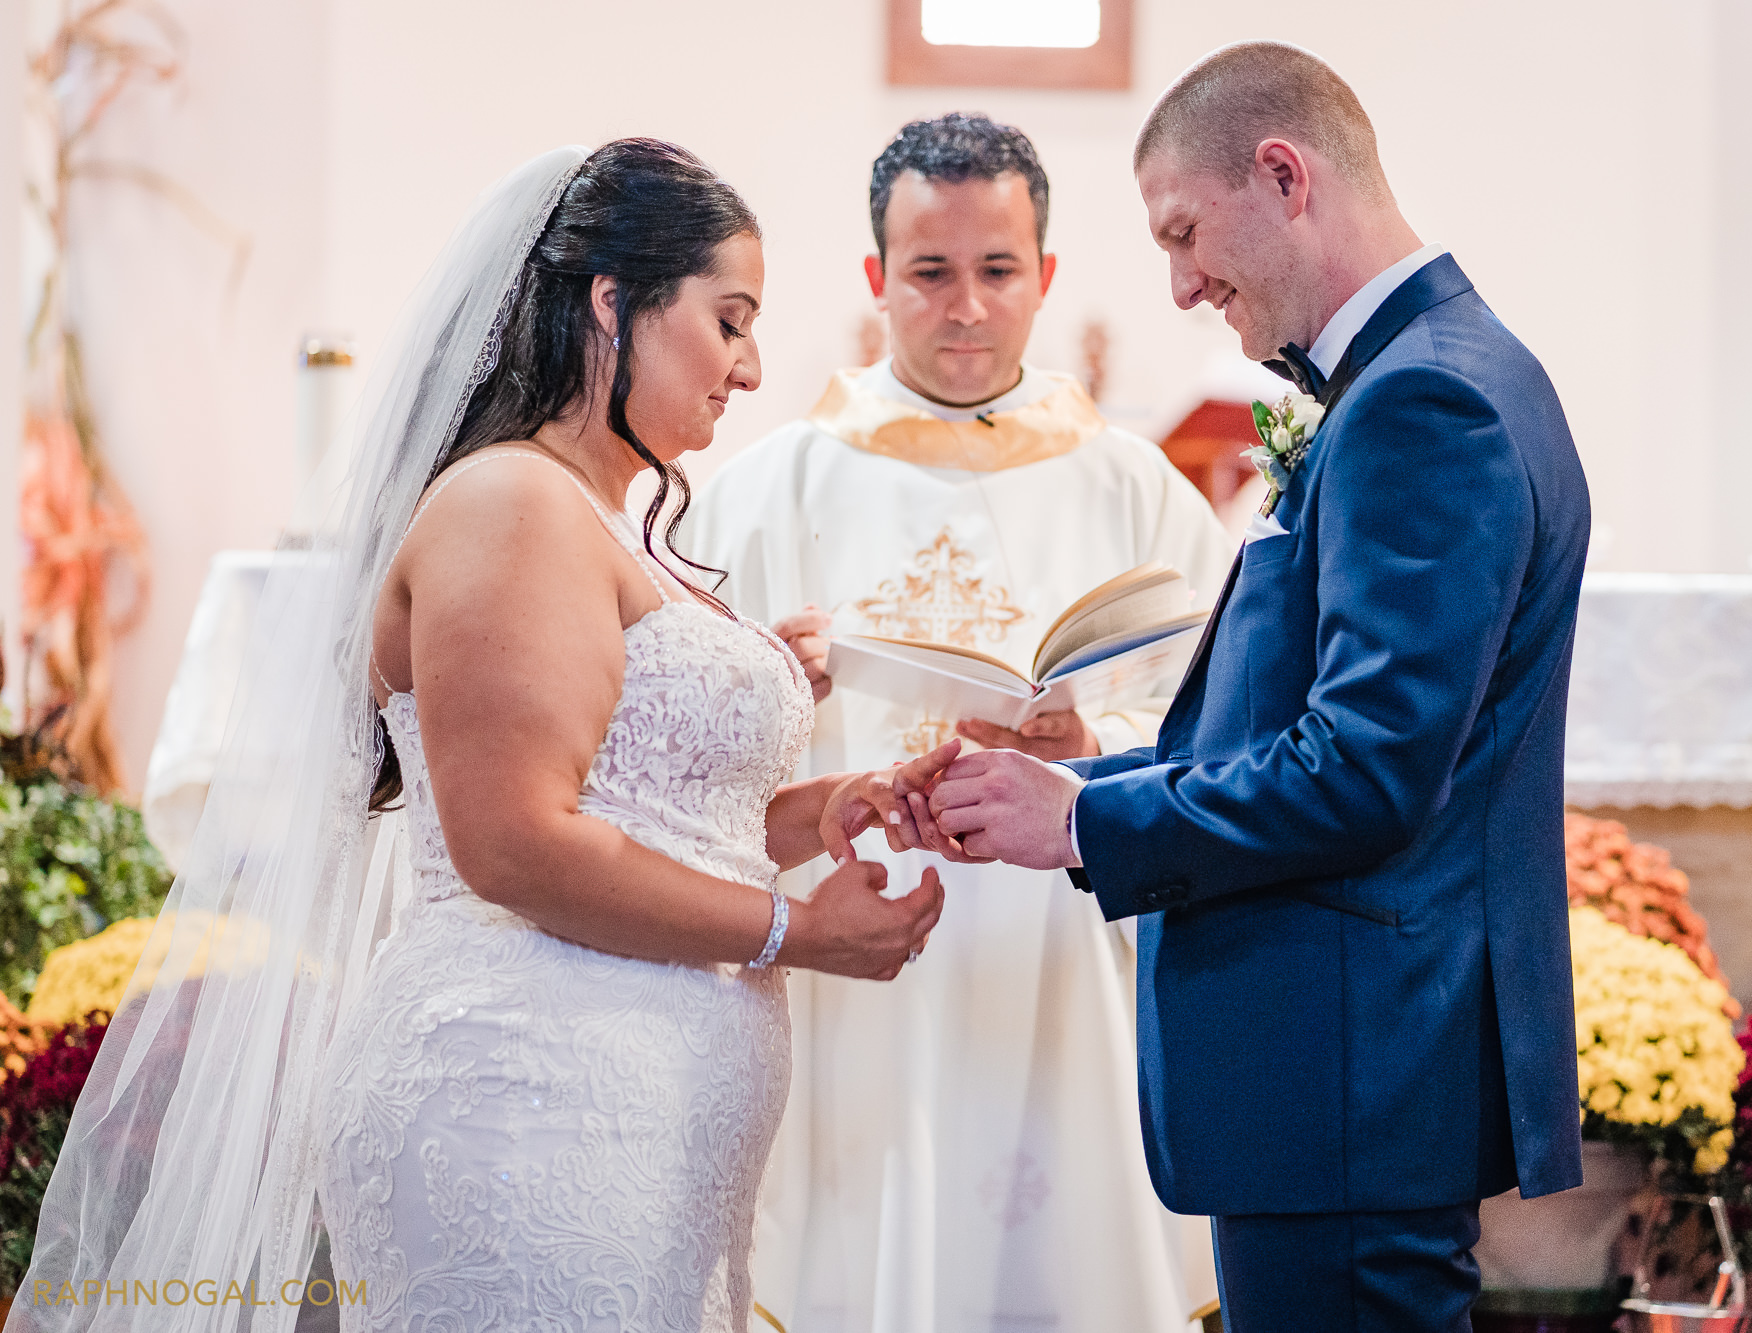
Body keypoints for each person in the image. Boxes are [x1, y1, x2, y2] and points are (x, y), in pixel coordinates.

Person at [10, 141, 951, 1333]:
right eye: (728, 320)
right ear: (611, 302)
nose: (752, 367)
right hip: (525, 1108)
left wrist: (827, 810)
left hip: (633, 1123)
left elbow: (645, 823)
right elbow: (516, 843)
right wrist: (796, 930)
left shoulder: (604, 519)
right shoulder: (509, 502)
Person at [907, 44, 1592, 1333]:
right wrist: (1066, 788)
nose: (1176, 285)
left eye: (1182, 232)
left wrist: (1081, 824)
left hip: (1345, 1070)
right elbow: (1281, 729)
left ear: (1282, 176)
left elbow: (1366, 768)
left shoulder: (1421, 400)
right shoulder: (1413, 375)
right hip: (1348, 1074)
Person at [683, 114, 1234, 1332]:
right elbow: (677, 736)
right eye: (930, 273)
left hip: (1060, 935)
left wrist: (1094, 743)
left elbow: (1222, 711)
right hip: (861, 932)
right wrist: (783, 680)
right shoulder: (774, 485)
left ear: (1046, 278)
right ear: (877, 279)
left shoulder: (1130, 484)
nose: (967, 308)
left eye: (998, 272)